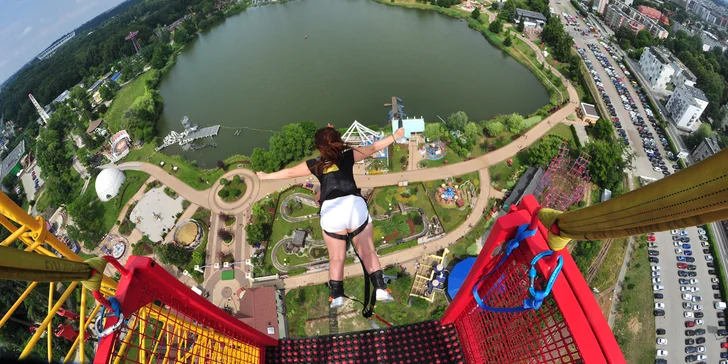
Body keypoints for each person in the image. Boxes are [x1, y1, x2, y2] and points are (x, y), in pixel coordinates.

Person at [257, 125, 405, 308]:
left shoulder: (315, 164)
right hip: (353, 205)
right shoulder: (348, 155)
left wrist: (265, 176)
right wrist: (395, 136)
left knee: (336, 258)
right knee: (368, 252)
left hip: (331, 211)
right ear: (337, 142)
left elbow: (288, 173)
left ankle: (336, 296)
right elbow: (374, 148)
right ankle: (381, 289)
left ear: (319, 148)